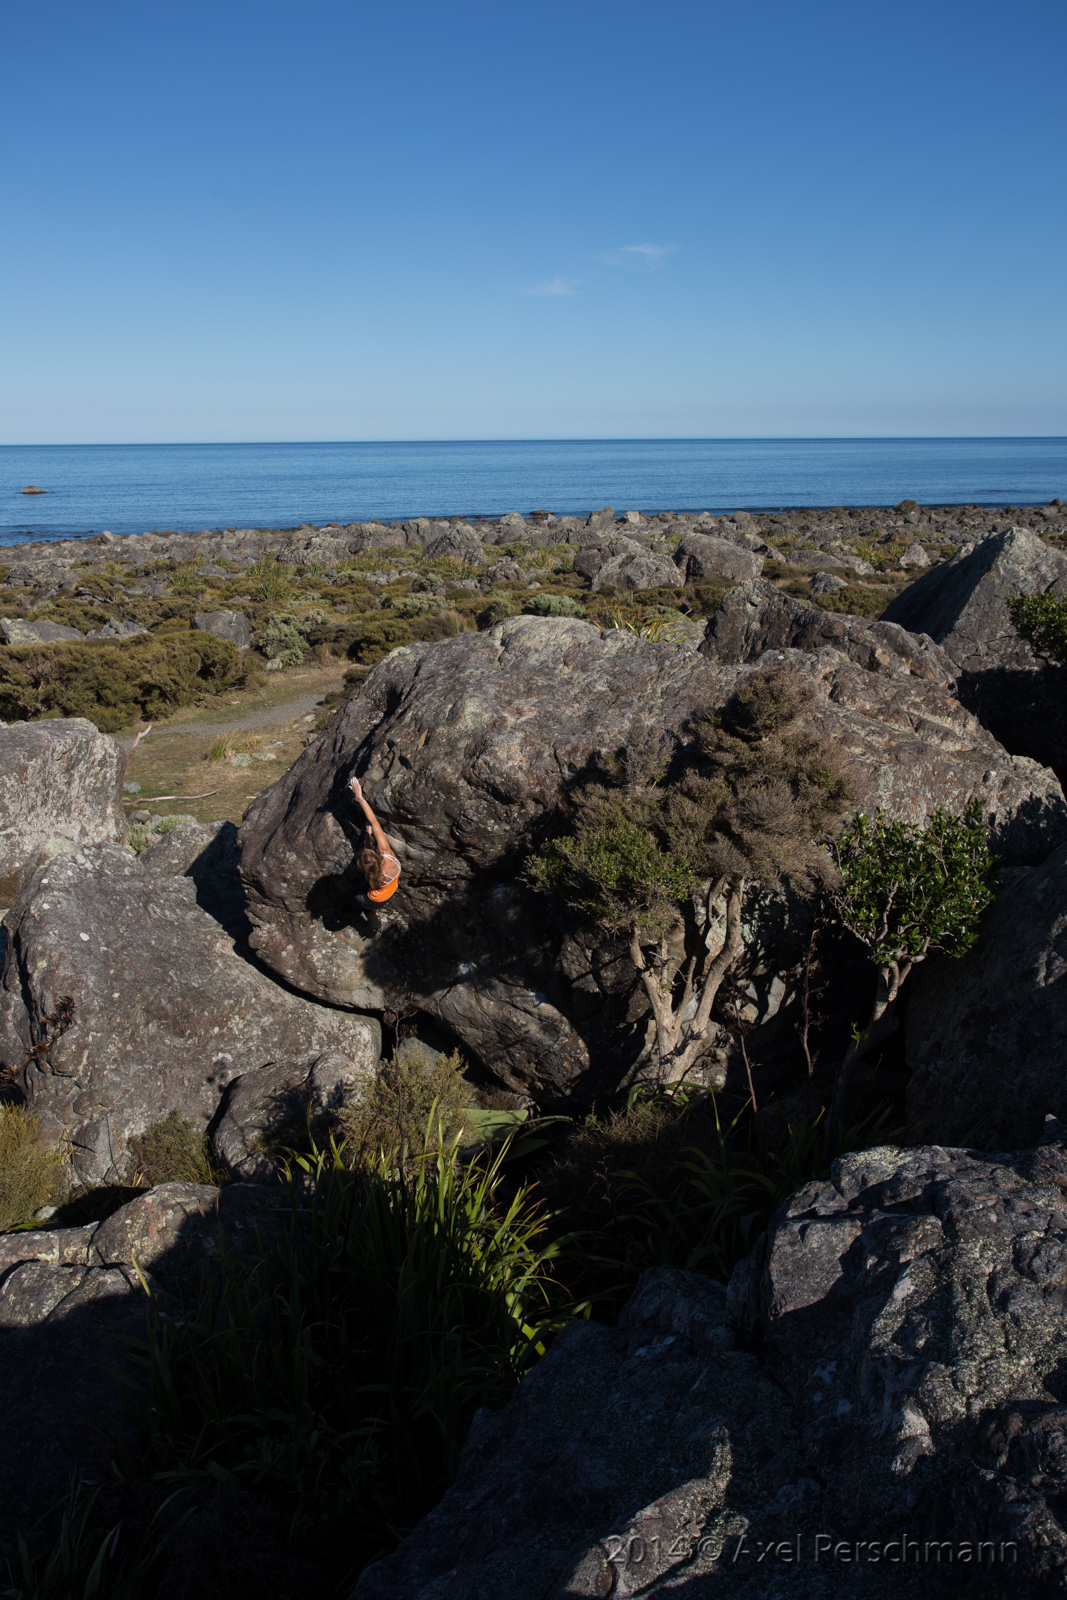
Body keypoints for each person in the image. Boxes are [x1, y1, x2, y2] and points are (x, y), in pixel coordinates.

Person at [347, 776, 402, 909]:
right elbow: (374, 822)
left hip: (373, 899)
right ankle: (373, 919)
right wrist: (360, 798)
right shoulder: (388, 856)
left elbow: (368, 853)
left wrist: (367, 836)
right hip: (390, 892)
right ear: (376, 856)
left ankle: (370, 919)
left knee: (351, 899)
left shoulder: (370, 877)